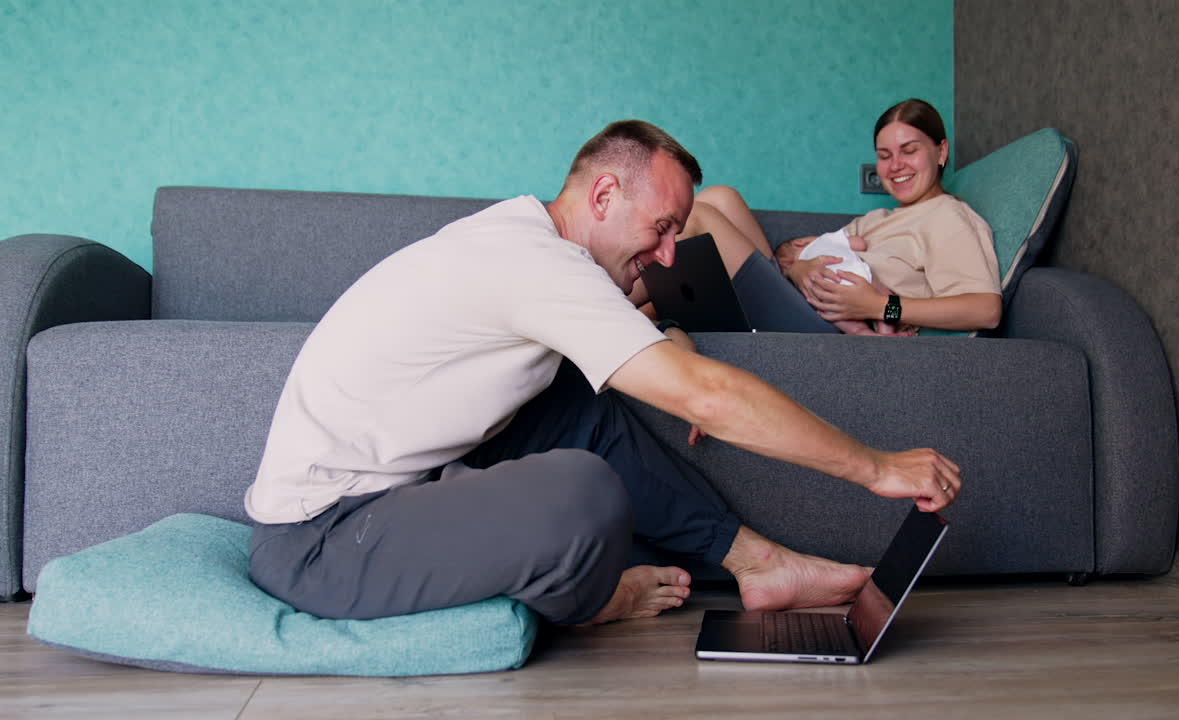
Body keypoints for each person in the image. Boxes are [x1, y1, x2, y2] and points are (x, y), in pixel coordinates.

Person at [243, 119, 962, 627]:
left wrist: (668, 337)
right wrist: (877, 467)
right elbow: (708, 398)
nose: (671, 253)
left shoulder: (523, 237)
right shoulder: (534, 265)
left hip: (384, 502)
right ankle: (592, 608)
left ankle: (758, 561)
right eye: (662, 228)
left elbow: (632, 348)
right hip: (323, 544)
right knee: (582, 490)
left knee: (575, 404)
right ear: (603, 196)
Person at [634, 99, 1002, 336]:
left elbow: (985, 309)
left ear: (941, 152)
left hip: (826, 326)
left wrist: (877, 307)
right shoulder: (877, 218)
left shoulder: (948, 217)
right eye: (885, 155)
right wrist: (797, 270)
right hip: (797, 297)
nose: (896, 166)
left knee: (699, 217)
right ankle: (639, 308)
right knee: (720, 197)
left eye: (910, 151)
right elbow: (816, 253)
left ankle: (611, 296)